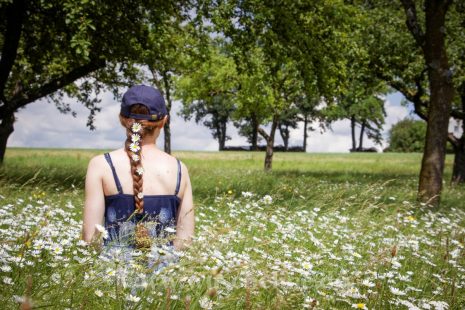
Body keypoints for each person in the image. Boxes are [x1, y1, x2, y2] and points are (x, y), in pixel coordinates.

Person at [81, 84, 195, 272]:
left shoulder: (101, 165)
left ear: (122, 119)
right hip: (162, 284)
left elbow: (90, 238)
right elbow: (185, 240)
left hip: (113, 282)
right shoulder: (179, 169)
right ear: (164, 121)